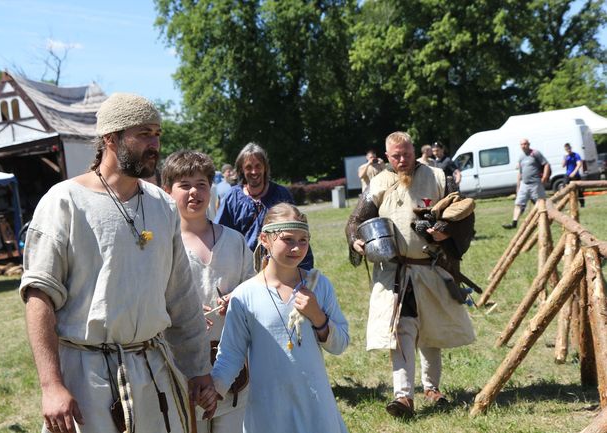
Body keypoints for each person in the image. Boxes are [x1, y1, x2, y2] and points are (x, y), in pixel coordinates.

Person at [20, 93, 216, 433]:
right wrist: (51, 385)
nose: (155, 144)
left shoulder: (161, 205)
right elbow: (39, 298)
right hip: (86, 377)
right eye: (144, 134)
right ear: (110, 138)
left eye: (157, 133)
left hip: (153, 371)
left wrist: (198, 368)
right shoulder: (64, 202)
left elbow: (181, 297)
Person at [345, 131, 476, 419]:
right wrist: (356, 239)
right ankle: (403, 397)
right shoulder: (379, 181)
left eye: (406, 153)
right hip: (397, 272)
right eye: (395, 156)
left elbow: (463, 215)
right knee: (402, 330)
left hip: (432, 268)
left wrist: (447, 231)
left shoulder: (439, 177)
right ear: (387, 156)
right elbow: (357, 219)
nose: (402, 160)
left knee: (431, 333)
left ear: (413, 149)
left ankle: (432, 388)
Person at [212, 203, 349, 433]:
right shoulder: (245, 295)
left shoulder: (318, 285)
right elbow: (230, 355)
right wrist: (213, 389)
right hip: (269, 411)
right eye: (288, 239)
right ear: (265, 239)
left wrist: (318, 317)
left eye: (303, 240)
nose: (296, 248)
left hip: (315, 407)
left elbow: (341, 344)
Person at [162, 150, 254, 433]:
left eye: (201, 184)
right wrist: (182, 316)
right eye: (184, 185)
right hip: (181, 368)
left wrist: (236, 298)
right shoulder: (161, 247)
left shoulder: (235, 242)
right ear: (167, 191)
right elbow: (149, 303)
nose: (194, 192)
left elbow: (254, 292)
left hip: (232, 366)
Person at [215, 142, 313, 269]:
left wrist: (305, 270)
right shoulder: (232, 197)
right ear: (241, 169)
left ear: (265, 167)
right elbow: (220, 235)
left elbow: (298, 232)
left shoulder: (281, 194)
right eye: (248, 167)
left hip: (279, 268)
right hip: (241, 269)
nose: (254, 171)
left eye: (258, 166)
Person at [502, 138, 551, 229]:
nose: (523, 146)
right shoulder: (521, 157)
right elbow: (520, 173)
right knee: (518, 204)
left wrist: (544, 177)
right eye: (521, 144)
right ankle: (514, 223)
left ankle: (545, 220)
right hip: (524, 184)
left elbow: (546, 164)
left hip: (535, 183)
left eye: (525, 144)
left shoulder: (535, 153)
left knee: (540, 203)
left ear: (529, 144)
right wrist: (518, 185)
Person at [562, 142, 585, 207]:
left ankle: (582, 204)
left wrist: (574, 172)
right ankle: (568, 204)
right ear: (565, 149)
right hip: (568, 175)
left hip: (576, 175)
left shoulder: (576, 155)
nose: (568, 150)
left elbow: (579, 164)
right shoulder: (566, 156)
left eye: (569, 148)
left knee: (579, 190)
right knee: (565, 189)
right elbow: (563, 165)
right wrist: (565, 159)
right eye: (566, 149)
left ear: (571, 148)